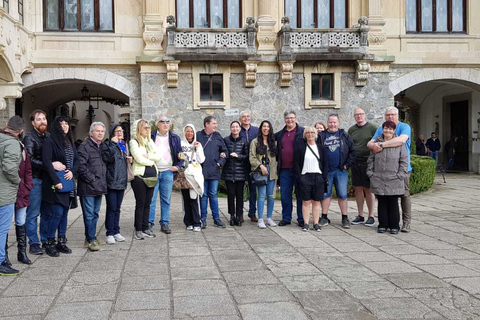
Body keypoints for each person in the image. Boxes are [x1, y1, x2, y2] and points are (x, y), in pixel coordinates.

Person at [368, 106, 412, 233]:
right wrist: (371, 173)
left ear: (397, 115)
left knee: (404, 196)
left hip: (400, 172)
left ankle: (406, 223)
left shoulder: (404, 127)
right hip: (381, 174)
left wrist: (381, 144)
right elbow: (370, 144)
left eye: (392, 114)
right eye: (388, 115)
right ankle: (384, 224)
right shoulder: (381, 128)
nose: (390, 117)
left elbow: (401, 140)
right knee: (382, 199)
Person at [41, 116, 79, 257]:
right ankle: (49, 242)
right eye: (61, 124)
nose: (64, 126)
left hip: (68, 183)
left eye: (66, 124)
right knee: (56, 214)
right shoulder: (49, 141)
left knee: (64, 214)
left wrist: (72, 171)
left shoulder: (70, 142)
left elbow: (77, 161)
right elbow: (46, 162)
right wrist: (56, 180)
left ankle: (61, 241)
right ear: (56, 126)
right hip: (56, 184)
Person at [319, 114, 355, 229]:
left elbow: (352, 151)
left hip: (340, 171)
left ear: (338, 123)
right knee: (326, 194)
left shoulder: (344, 135)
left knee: (343, 194)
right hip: (326, 171)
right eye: (330, 122)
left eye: (334, 122)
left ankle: (345, 218)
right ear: (327, 123)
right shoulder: (321, 136)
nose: (332, 124)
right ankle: (324, 217)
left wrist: (347, 165)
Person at [149, 116, 182, 235]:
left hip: (168, 172)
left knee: (166, 199)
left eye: (168, 122)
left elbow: (180, 154)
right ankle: (149, 223)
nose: (166, 124)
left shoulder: (174, 138)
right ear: (157, 124)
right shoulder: (151, 136)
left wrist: (178, 167)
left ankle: (165, 222)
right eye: (163, 122)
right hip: (153, 172)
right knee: (151, 199)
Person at [23, 109, 50, 255]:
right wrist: (49, 165)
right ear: (33, 123)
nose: (42, 122)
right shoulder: (29, 138)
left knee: (47, 212)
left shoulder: (49, 137)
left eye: (44, 119)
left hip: (47, 180)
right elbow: (29, 160)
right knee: (33, 213)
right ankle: (33, 242)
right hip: (35, 180)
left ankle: (45, 240)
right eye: (39, 119)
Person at [0, 116, 24, 276]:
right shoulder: (12, 144)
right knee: (2, 229)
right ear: (20, 131)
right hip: (5, 193)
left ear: (7, 125)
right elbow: (9, 168)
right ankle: (1, 261)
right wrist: (18, 181)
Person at [77, 122, 107, 251]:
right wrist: (92, 179)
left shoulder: (101, 147)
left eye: (102, 131)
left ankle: (90, 238)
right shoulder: (84, 146)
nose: (100, 133)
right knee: (89, 214)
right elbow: (81, 166)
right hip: (88, 186)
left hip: (99, 186)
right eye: (97, 131)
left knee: (95, 213)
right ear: (91, 132)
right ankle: (91, 239)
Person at [129, 119, 161, 240]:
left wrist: (149, 156)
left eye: (148, 128)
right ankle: (138, 229)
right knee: (141, 203)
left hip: (152, 176)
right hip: (139, 177)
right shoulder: (134, 142)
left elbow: (158, 156)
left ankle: (145, 226)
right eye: (145, 128)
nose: (148, 130)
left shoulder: (150, 142)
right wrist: (151, 161)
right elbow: (138, 159)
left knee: (148, 203)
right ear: (138, 129)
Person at [293, 126, 328, 232]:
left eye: (312, 132)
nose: (310, 134)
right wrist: (300, 177)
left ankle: (316, 223)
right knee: (306, 202)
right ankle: (306, 223)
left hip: (318, 176)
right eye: (308, 133)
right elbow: (296, 164)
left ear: (316, 134)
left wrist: (323, 177)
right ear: (305, 135)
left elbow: (325, 164)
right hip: (305, 176)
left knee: (316, 202)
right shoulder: (301, 148)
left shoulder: (321, 148)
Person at [196, 116, 228, 228]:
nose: (216, 125)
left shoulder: (218, 136)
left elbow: (225, 151)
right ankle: (203, 219)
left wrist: (220, 162)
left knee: (213, 195)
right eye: (214, 123)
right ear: (206, 124)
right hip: (201, 171)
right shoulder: (198, 135)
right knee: (203, 195)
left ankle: (216, 219)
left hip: (214, 171)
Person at [348, 108, 377, 227]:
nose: (359, 116)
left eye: (361, 114)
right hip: (356, 162)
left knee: (368, 189)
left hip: (368, 162)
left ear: (365, 115)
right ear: (354, 117)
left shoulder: (373, 128)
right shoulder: (351, 130)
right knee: (358, 189)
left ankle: (371, 216)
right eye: (357, 115)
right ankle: (360, 215)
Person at [275, 111, 304, 227]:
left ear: (296, 118)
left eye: (292, 118)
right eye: (287, 118)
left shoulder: (302, 132)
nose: (290, 120)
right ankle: (286, 217)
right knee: (285, 195)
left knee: (300, 195)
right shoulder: (280, 134)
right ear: (284, 119)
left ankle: (301, 218)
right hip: (284, 169)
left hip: (299, 169)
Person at [101, 124, 130, 245]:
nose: (119, 133)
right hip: (112, 181)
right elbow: (109, 159)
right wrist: (113, 144)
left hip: (122, 181)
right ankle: (110, 233)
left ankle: (116, 230)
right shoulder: (107, 145)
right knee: (111, 207)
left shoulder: (124, 146)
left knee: (117, 208)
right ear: (112, 133)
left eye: (121, 131)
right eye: (117, 131)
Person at [250, 120, 278, 229]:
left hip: (272, 170)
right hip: (261, 170)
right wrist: (260, 166)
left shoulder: (273, 141)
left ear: (270, 129)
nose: (266, 128)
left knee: (271, 196)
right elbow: (252, 157)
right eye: (264, 126)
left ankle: (269, 218)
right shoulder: (255, 142)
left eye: (268, 126)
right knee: (261, 196)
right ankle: (260, 219)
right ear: (261, 128)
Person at [12, 137, 34, 265]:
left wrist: (28, 185)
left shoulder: (22, 148)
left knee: (21, 221)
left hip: (22, 191)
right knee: (4, 225)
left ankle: (22, 252)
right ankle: (4, 256)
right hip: (8, 191)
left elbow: (28, 170)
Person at [222, 121, 249, 226]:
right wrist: (224, 154)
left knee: (239, 196)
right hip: (229, 172)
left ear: (239, 128)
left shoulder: (244, 141)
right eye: (233, 127)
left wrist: (238, 156)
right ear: (230, 128)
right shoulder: (226, 140)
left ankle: (239, 216)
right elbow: (223, 152)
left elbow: (247, 156)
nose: (235, 129)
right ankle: (232, 215)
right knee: (230, 195)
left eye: (237, 127)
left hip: (240, 173)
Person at [180, 124, 205, 232]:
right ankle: (188, 222)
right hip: (185, 173)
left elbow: (202, 159)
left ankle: (197, 222)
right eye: (187, 131)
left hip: (194, 173)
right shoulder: (181, 144)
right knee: (186, 199)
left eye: (191, 131)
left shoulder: (198, 144)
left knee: (194, 198)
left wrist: (198, 148)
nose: (189, 133)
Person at [239, 111, 259, 222]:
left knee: (253, 190)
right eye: (243, 117)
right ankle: (240, 213)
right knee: (240, 190)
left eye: (248, 116)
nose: (246, 118)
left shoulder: (256, 130)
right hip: (241, 164)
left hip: (253, 164)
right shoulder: (238, 130)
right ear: (240, 119)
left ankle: (252, 212)